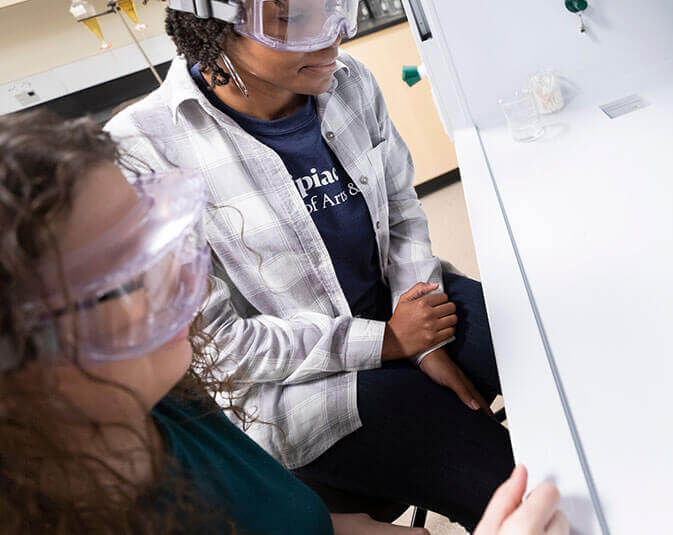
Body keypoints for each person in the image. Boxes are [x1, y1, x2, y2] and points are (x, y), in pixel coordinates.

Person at [106, 0, 513, 530]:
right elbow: (222, 348)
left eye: (333, 4)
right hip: (304, 389)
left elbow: (403, 210)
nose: (332, 37)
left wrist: (423, 329)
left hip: (404, 312)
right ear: (213, 21)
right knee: (506, 478)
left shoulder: (348, 82)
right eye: (293, 19)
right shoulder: (145, 153)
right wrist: (386, 344)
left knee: (541, 353)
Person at [0, 111, 568, 535]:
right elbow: (232, 348)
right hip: (315, 379)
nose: (182, 280)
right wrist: (390, 341)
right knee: (476, 457)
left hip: (383, 333)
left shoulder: (167, 402)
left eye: (157, 240)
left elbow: (290, 517)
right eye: (123, 273)